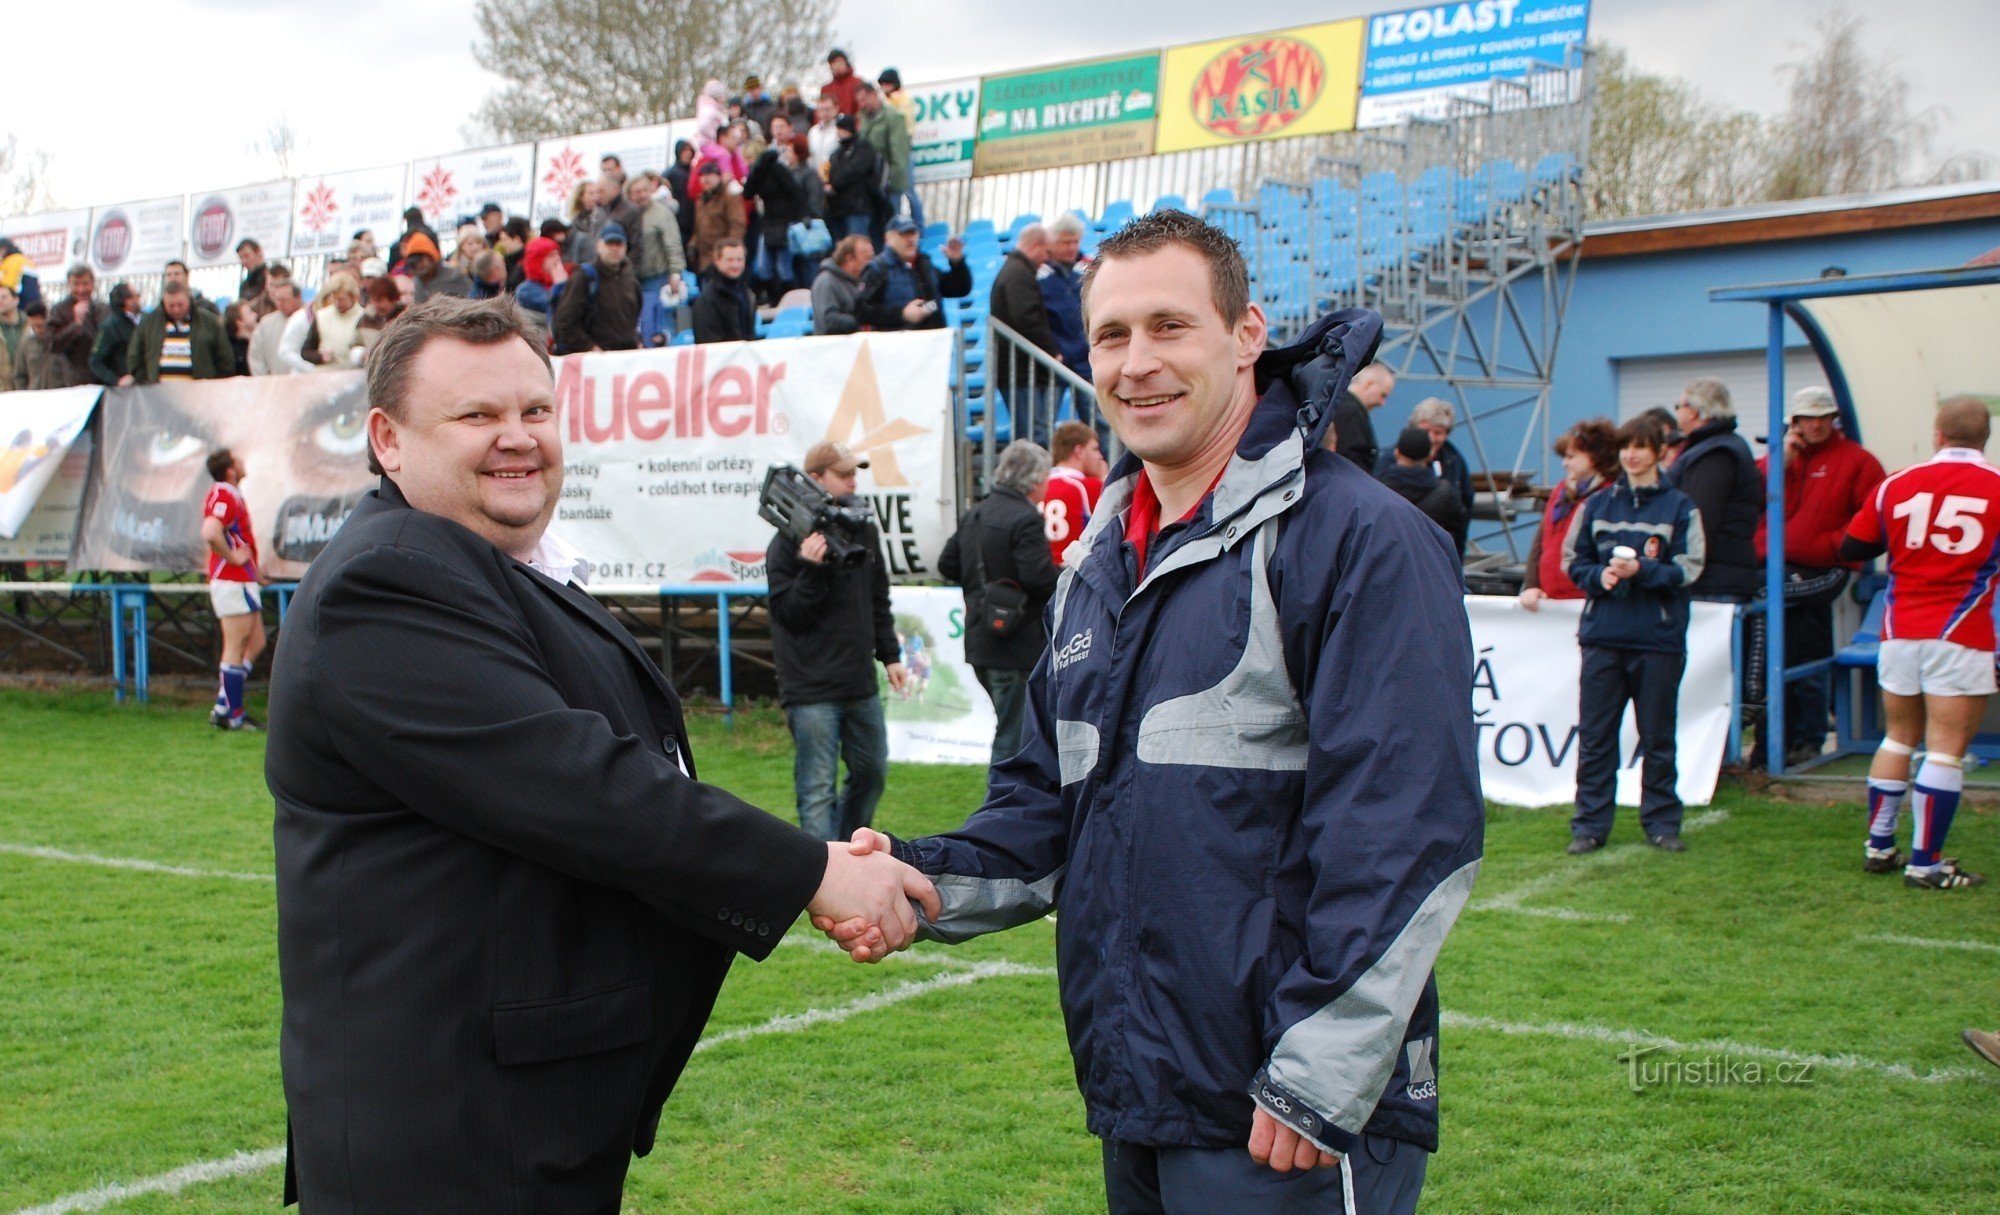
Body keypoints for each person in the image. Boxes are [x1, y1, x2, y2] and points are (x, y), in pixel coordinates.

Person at [819, 211, 1482, 1214]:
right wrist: (922, 877)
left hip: (1284, 1116)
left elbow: (1404, 827)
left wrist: (1317, 1073)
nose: (1135, 365)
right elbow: (1046, 806)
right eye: (1112, 337)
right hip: (1139, 1087)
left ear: (1245, 333)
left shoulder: (1357, 539)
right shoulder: (1099, 561)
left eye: (1168, 326)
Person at [265, 295, 938, 1210]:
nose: (517, 437)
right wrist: (814, 871)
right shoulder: (389, 580)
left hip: (517, 1112)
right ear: (388, 439)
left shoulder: (488, 565)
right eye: (477, 415)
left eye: (534, 410)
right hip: (450, 1136)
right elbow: (581, 783)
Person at [1839, 396, 1997, 890]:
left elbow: (1853, 548)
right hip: (1961, 632)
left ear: (1938, 434)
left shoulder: (1898, 484)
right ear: (1985, 436)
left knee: (1898, 736)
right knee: (1946, 749)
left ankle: (1880, 846)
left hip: (1899, 630)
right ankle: (1926, 863)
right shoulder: (1996, 487)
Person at [1564, 415, 1705, 856]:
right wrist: (1598, 576)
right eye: (1627, 446)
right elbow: (1573, 560)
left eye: (1642, 446)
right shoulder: (1597, 504)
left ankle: (1662, 824)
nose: (1633, 454)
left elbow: (1691, 567)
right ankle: (1589, 826)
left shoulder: (1681, 506)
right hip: (1603, 636)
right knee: (1595, 737)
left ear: (1660, 452)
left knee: (1658, 737)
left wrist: (1642, 571)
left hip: (1657, 639)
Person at [765, 440, 908, 842]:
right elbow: (788, 616)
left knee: (873, 772)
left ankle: (845, 852)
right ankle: (827, 881)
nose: (852, 481)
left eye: (854, 473)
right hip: (810, 688)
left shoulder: (861, 527)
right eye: (843, 474)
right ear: (815, 479)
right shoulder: (785, 543)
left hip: (858, 679)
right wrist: (812, 569)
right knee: (816, 791)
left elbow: (877, 598)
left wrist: (891, 656)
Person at [1752, 387, 1887, 766]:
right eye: (1807, 418)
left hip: (1824, 570)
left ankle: (1804, 739)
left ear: (1834, 420)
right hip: (1777, 569)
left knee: (1797, 639)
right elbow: (1749, 500)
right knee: (1790, 645)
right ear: (1792, 423)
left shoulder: (1857, 461)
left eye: (1823, 417)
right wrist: (1781, 462)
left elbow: (1874, 517)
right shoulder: (1777, 460)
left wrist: (1832, 546)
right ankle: (1776, 743)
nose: (1815, 424)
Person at [937, 440, 1060, 764]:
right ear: (1034, 481)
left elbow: (947, 564)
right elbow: (1039, 578)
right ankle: (1000, 806)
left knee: (1012, 729)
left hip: (981, 640)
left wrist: (980, 587)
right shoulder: (1026, 518)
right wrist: (1069, 570)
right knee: (1014, 737)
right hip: (1015, 645)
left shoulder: (975, 513)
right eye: (1045, 479)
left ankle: (1009, 803)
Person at [1665, 377, 1762, 601]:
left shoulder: (1715, 454)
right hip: (1716, 577)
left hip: (1713, 583)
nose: (1677, 413)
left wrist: (1679, 567)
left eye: (1679, 406)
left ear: (1694, 412)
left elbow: (1699, 519)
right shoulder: (1712, 447)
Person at [1519, 418, 1617, 610]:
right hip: (1550, 599)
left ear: (1594, 456)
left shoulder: (1610, 496)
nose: (1565, 463)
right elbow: (1540, 543)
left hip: (1588, 603)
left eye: (1571, 457)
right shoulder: (1560, 491)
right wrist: (1532, 585)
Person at [201, 448, 265, 731]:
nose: (243, 460)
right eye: (237, 458)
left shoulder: (232, 494)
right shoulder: (224, 493)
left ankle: (224, 702)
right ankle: (233, 715)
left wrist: (253, 569)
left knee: (256, 642)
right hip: (231, 579)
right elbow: (211, 531)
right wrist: (233, 558)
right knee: (236, 646)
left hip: (242, 579)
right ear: (229, 469)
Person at [1384, 397, 1474, 556]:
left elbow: (1464, 511)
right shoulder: (1387, 461)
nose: (1431, 438)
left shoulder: (1455, 461)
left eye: (1438, 433)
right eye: (1426, 431)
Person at [858, 218, 969, 332]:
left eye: (913, 233)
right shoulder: (878, 268)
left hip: (933, 342)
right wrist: (901, 314)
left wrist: (957, 263)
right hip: (896, 345)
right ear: (888, 238)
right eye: (903, 234)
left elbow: (959, 289)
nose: (910, 239)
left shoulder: (925, 264)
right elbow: (861, 311)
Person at [553, 223, 642, 355]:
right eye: (609, 243)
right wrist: (591, 348)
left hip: (625, 359)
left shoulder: (631, 280)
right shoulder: (584, 276)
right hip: (594, 361)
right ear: (599, 246)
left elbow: (634, 321)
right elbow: (564, 322)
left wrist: (637, 343)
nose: (615, 248)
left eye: (619, 244)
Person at [745, 131, 811, 303]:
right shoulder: (758, 174)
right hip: (768, 222)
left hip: (784, 222)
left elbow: (795, 193)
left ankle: (788, 301)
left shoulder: (778, 170)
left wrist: (798, 217)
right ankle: (774, 299)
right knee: (763, 266)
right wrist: (754, 173)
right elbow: (747, 193)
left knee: (783, 267)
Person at [123, 283, 233, 384]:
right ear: (164, 303)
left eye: (180, 304)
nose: (176, 309)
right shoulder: (148, 323)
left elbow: (225, 358)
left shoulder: (209, 321)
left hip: (199, 394)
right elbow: (134, 357)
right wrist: (147, 383)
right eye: (171, 305)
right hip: (158, 394)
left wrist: (214, 384)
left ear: (188, 299)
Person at [1378, 426, 1469, 542]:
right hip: (1431, 557)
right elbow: (1459, 532)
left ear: (1396, 453)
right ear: (1430, 456)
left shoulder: (1376, 490)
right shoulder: (1446, 493)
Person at [627, 172, 687, 346]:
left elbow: (673, 244)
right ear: (630, 195)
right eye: (637, 192)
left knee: (660, 324)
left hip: (658, 277)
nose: (642, 195)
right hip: (632, 279)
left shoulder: (662, 214)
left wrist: (676, 272)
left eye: (645, 190)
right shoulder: (627, 214)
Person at [1040, 420, 1106, 566]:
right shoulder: (1087, 486)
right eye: (1095, 449)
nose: (1100, 456)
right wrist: (1105, 479)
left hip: (1041, 572)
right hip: (1073, 573)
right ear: (1079, 451)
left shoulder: (1039, 484)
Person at [856, 80, 911, 239]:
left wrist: (893, 182)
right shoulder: (863, 118)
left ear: (874, 95)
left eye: (864, 99)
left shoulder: (893, 116)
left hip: (889, 182)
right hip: (870, 185)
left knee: (893, 227)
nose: (862, 104)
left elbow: (899, 153)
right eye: (859, 101)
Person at [1039, 215, 1091, 381]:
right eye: (1066, 242)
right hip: (1056, 359)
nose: (1072, 247)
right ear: (1052, 244)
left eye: (1075, 242)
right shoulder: (1039, 273)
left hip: (1087, 357)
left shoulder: (1089, 269)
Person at [1326, 361, 1393, 473]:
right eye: (1383, 395)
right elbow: (1349, 459)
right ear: (1369, 384)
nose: (1382, 403)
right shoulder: (1350, 412)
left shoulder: (1340, 404)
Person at [47, 264, 105, 388]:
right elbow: (53, 345)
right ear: (69, 284)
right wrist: (77, 323)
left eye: (85, 284)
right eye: (76, 284)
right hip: (73, 381)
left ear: (93, 283)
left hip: (102, 379)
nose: (81, 289)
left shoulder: (103, 309)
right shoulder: (59, 310)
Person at [824, 115, 881, 241]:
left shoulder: (863, 148)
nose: (839, 133)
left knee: (857, 244)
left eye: (842, 129)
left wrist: (835, 184)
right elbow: (831, 173)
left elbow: (854, 171)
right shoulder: (836, 153)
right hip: (838, 208)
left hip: (858, 206)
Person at [691, 239, 756, 345]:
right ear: (717, 261)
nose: (735, 265)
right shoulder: (707, 300)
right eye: (730, 260)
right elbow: (706, 340)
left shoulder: (748, 294)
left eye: (739, 260)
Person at [690, 161, 747, 272]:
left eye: (710, 175)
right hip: (704, 261)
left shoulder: (730, 196)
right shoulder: (701, 200)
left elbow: (737, 226)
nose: (706, 179)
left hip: (723, 261)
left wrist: (729, 254)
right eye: (702, 176)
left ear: (719, 177)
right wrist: (692, 245)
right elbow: (698, 228)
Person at [810, 235, 872, 335]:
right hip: (834, 348)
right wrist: (863, 319)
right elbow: (829, 321)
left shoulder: (863, 280)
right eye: (867, 258)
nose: (872, 263)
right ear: (849, 258)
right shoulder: (826, 282)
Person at [89, 283, 143, 386]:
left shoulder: (146, 320)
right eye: (136, 296)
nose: (139, 299)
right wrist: (116, 380)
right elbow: (96, 360)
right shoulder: (110, 326)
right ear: (126, 301)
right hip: (125, 389)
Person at [250, 280, 305, 375]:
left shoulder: (312, 319)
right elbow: (256, 356)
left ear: (298, 297)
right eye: (277, 299)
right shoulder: (266, 324)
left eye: (284, 300)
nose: (280, 304)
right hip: (274, 383)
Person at [401, 233, 473, 303]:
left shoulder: (454, 275)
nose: (419, 265)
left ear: (432, 257)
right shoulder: (415, 284)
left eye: (421, 260)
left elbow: (473, 300)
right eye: (414, 263)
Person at [514, 236, 565, 335]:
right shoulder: (526, 290)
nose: (557, 258)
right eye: (551, 255)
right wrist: (560, 285)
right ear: (537, 260)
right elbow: (555, 305)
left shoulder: (561, 281)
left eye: (557, 254)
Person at [823, 48, 863, 117]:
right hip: (832, 126)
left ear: (846, 63)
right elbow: (821, 113)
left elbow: (863, 107)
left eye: (840, 61)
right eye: (834, 62)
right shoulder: (826, 90)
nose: (837, 65)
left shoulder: (858, 83)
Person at [807, 95, 842, 172]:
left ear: (836, 109)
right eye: (821, 110)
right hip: (816, 177)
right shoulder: (813, 132)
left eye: (827, 109)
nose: (824, 113)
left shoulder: (840, 130)